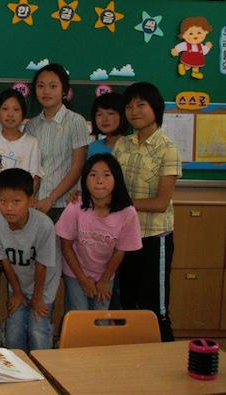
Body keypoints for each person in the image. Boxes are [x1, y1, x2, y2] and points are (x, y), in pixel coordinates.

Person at [113, 82, 182, 342]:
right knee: (129, 303)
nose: (134, 111)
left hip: (155, 237)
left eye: (141, 104)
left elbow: (161, 202)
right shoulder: (123, 145)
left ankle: (165, 358)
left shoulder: (168, 148)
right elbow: (113, 186)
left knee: (157, 308)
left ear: (156, 108)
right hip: (125, 238)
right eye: (129, 106)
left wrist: (122, 202)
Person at [0, 88, 41, 347]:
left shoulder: (31, 143)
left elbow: (35, 178)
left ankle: (14, 323)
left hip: (21, 216)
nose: (10, 114)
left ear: (24, 115)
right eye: (5, 109)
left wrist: (23, 208)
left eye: (16, 109)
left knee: (17, 267)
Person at [55, 154, 142, 312]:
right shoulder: (76, 206)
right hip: (75, 271)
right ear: (85, 180)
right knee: (78, 315)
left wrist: (104, 280)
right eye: (93, 175)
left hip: (106, 273)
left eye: (106, 175)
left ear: (117, 179)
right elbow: (66, 245)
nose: (99, 181)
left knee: (101, 318)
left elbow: (120, 250)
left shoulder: (127, 212)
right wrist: (82, 279)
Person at [0, 168, 58, 353]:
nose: (9, 207)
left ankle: (44, 373)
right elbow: (4, 260)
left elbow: (41, 265)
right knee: (13, 334)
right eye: (3, 201)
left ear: (31, 200)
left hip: (44, 287)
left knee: (38, 331)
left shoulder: (44, 225)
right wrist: (17, 292)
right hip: (18, 284)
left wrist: (38, 298)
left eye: (16, 201)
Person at [25, 63, 89, 219]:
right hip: (35, 204)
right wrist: (30, 196)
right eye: (41, 86)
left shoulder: (76, 121)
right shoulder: (31, 125)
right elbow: (31, 166)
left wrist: (51, 199)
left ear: (64, 91)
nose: (46, 91)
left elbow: (77, 167)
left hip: (65, 204)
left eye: (53, 86)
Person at [87, 92, 128, 159]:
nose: (104, 119)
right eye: (99, 114)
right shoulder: (94, 147)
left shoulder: (131, 147)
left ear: (123, 116)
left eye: (110, 113)